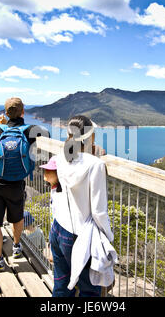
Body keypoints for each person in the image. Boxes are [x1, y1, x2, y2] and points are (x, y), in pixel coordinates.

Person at [51, 115, 116, 297]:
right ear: (90, 137)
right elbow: (99, 211)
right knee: (89, 291)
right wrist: (109, 236)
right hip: (81, 237)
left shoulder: (61, 157)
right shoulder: (95, 165)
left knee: (62, 286)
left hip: (58, 229)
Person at [0, 97, 48, 272]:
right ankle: (17, 246)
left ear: (5, 113)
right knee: (17, 217)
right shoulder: (30, 129)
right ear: (23, 112)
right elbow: (46, 135)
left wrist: (1, 124)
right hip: (15, 183)